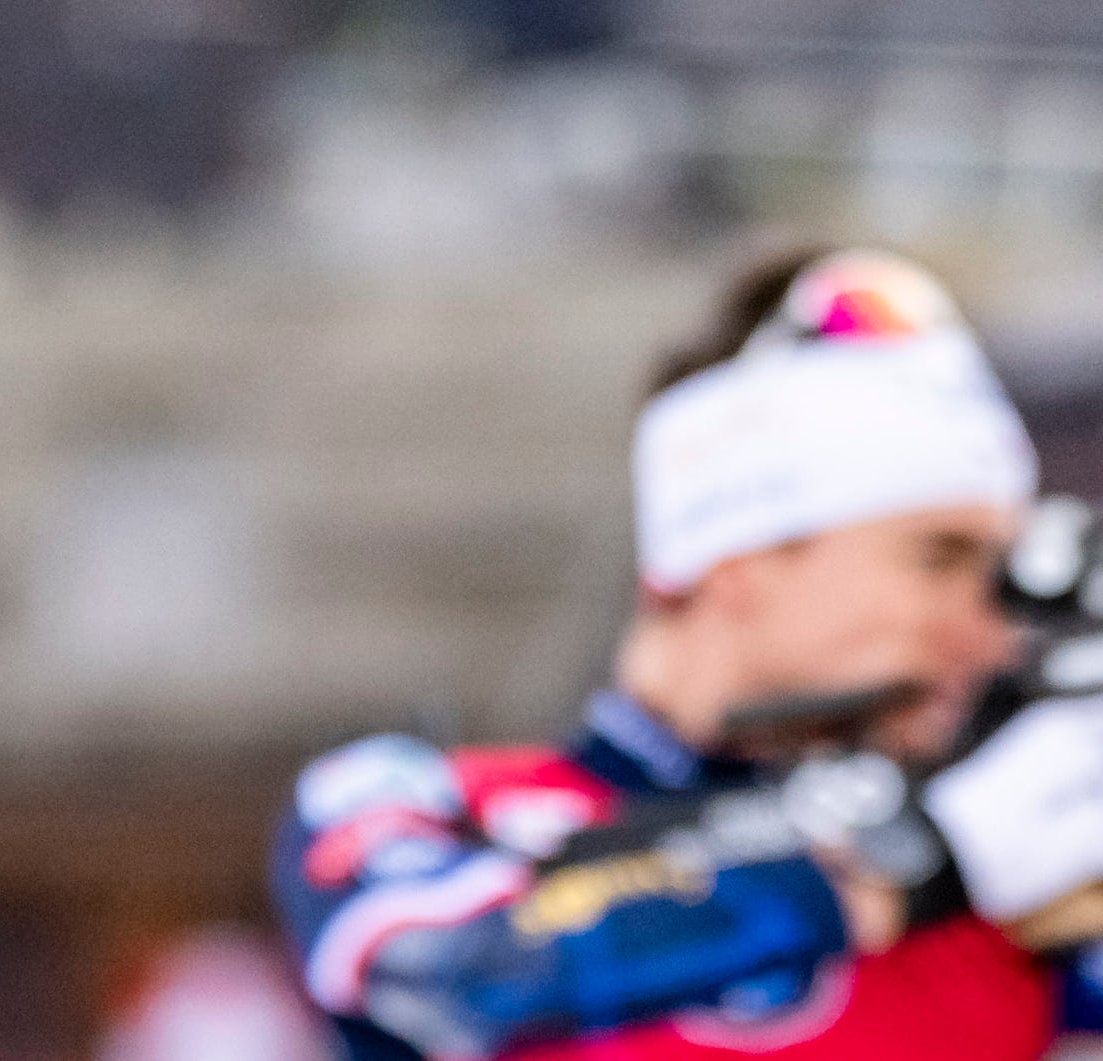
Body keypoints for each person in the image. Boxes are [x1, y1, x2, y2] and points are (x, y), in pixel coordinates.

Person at [272, 246, 1103, 1057]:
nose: (992, 627)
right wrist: (908, 862)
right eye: (941, 559)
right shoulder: (428, 800)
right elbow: (451, 971)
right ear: (732, 560)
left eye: (1000, 571)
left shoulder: (1013, 874)